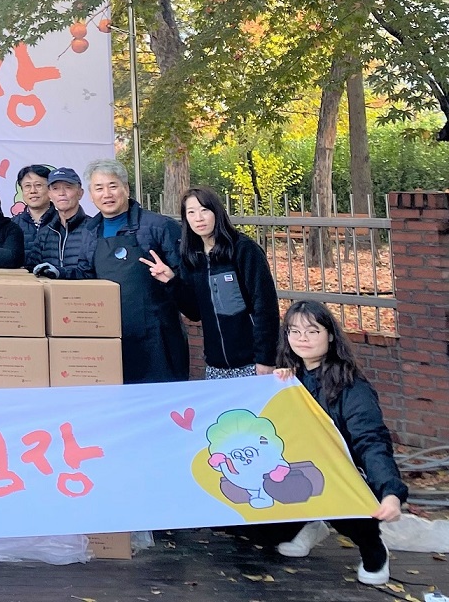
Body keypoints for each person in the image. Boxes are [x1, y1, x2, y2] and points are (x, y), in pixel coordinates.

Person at [263, 301, 406, 586]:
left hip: (344, 473)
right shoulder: (287, 379)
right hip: (296, 468)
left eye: (312, 331)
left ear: (329, 335)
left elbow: (371, 441)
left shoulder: (351, 386)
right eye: (294, 331)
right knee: (258, 528)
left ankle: (374, 547)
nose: (302, 339)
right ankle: (311, 523)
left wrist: (390, 491)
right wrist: (274, 390)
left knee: (342, 504)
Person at [144, 186, 281, 379]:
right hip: (215, 367)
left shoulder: (243, 249)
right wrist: (171, 281)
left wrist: (266, 359)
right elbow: (194, 312)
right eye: (191, 212)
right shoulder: (192, 257)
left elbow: (265, 306)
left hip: (253, 364)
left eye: (204, 210)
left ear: (217, 212)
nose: (198, 218)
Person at [83, 158, 188, 384]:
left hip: (158, 337)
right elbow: (86, 275)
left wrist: (172, 279)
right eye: (99, 188)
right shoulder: (90, 231)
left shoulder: (159, 226)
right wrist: (56, 273)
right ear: (91, 195)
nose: (106, 194)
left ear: (126, 189)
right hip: (113, 337)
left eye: (113, 186)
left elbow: (187, 279)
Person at [34, 167, 97, 279]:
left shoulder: (94, 228)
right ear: (49, 194)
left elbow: (96, 272)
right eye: (55, 188)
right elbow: (32, 269)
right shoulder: (44, 233)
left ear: (80, 193)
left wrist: (60, 273)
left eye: (68, 187)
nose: (62, 193)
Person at [11, 164, 53, 266]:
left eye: (38, 185)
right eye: (27, 186)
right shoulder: (12, 225)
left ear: (50, 189)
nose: (33, 191)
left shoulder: (63, 221)